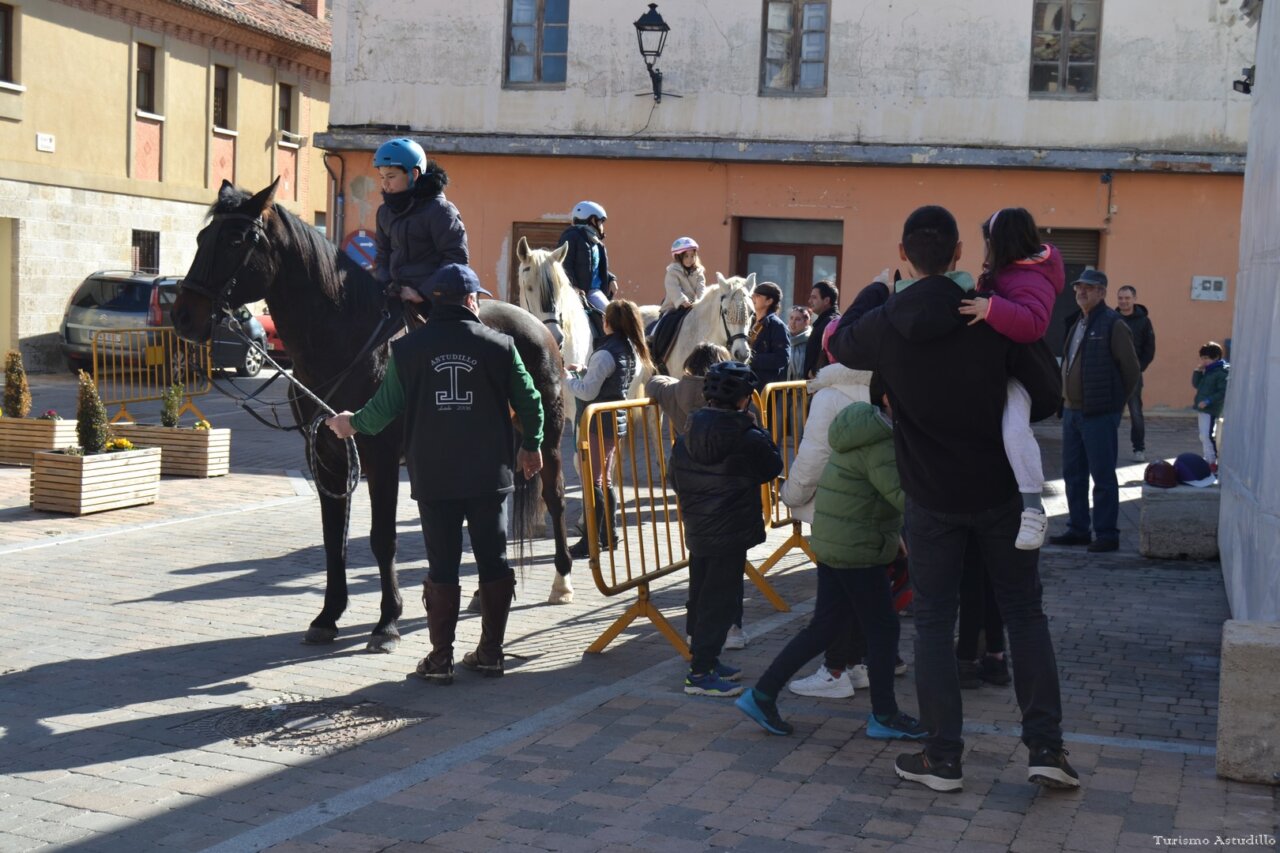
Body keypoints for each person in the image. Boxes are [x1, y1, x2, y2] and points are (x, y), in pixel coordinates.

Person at [829, 205, 1077, 793]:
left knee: (934, 624)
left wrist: (874, 290)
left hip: (932, 496)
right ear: (961, 254)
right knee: (1024, 613)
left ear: (904, 255)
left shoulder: (887, 320)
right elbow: (1045, 394)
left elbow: (836, 342)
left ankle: (943, 759)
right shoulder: (990, 314)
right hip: (999, 491)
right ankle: (1046, 748)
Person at [325, 264, 543, 684]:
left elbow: (383, 410)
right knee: (492, 560)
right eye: (476, 296)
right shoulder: (500, 345)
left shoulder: (408, 350)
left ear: (434, 301)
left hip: (435, 476)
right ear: (469, 301)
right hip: (488, 475)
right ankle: (491, 654)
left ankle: (440, 660)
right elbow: (531, 399)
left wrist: (351, 423)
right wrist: (532, 444)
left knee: (442, 564)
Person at [737, 388, 928, 740]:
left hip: (838, 541)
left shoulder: (867, 427)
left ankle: (762, 695)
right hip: (856, 548)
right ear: (888, 397)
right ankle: (884, 714)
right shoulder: (882, 443)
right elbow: (905, 498)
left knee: (825, 628)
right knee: (883, 629)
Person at [670, 361, 783, 697]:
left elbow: (673, 478)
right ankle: (700, 673)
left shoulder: (685, 433)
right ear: (745, 400)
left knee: (701, 595)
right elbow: (773, 466)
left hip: (699, 526)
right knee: (720, 601)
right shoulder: (747, 435)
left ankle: (707, 659)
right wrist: (758, 429)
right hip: (730, 529)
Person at [956, 207, 1065, 551]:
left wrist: (990, 308)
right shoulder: (1005, 272)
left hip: (1017, 372)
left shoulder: (1031, 277)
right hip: (995, 367)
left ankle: (1033, 509)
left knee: (1015, 432)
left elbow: (1034, 323)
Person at [777, 358, 874, 698]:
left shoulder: (830, 394)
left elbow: (815, 454)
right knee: (862, 594)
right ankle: (855, 663)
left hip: (836, 508)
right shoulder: (886, 382)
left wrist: (791, 494)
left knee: (834, 600)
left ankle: (835, 670)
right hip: (874, 507)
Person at [1048, 269, 1140, 553]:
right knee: (1073, 475)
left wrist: (1113, 407)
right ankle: (1078, 529)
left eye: (1088, 288)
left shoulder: (1112, 324)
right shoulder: (1078, 322)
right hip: (1072, 413)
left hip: (1099, 414)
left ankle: (1107, 533)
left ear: (1102, 292)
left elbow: (1131, 371)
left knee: (1102, 476)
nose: (1081, 292)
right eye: (1078, 288)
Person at [564, 299, 652, 559]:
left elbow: (589, 391)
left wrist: (567, 379)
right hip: (615, 420)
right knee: (605, 480)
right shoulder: (630, 348)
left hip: (597, 422)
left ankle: (591, 540)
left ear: (608, 323)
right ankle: (608, 535)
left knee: (593, 482)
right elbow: (606, 378)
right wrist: (584, 369)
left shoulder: (604, 352)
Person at [372, 138, 469, 315]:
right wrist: (387, 285)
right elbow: (382, 254)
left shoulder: (441, 211)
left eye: (391, 177)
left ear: (414, 174)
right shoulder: (384, 212)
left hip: (435, 302)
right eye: (382, 177)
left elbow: (455, 258)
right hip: (396, 296)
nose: (385, 184)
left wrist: (422, 293)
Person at [646, 343, 730, 441]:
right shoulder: (728, 392)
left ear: (691, 362)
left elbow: (654, 381)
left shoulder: (675, 390)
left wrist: (679, 384)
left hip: (686, 453)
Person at [1116, 285, 1156, 462]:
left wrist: (1139, 368)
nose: (1124, 302)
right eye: (1120, 298)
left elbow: (1149, 348)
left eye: (1127, 298)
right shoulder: (1112, 318)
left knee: (1135, 412)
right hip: (1113, 374)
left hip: (1134, 375)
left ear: (1134, 298)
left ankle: (1139, 448)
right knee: (1111, 413)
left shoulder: (1144, 321)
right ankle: (1107, 447)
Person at [559, 201, 617, 315]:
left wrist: (611, 279)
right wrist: (574, 287)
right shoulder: (571, 237)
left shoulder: (595, 242)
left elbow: (592, 267)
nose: (602, 226)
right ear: (592, 220)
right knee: (613, 316)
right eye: (601, 222)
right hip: (586, 292)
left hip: (595, 291)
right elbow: (565, 265)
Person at [1191, 341, 1229, 467]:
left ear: (1216, 357)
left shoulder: (1221, 372)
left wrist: (1208, 401)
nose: (1204, 361)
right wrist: (1197, 371)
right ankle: (1208, 458)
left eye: (1206, 358)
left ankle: (1212, 461)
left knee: (1207, 435)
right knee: (1203, 435)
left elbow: (1222, 392)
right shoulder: (1208, 370)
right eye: (1202, 358)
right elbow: (1197, 385)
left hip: (1211, 408)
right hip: (1203, 408)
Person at [748, 281, 790, 387]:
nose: (752, 298)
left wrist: (750, 359)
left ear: (769, 301)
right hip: (746, 385)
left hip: (764, 389)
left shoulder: (777, 326)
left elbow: (782, 358)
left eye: (757, 296)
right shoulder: (749, 322)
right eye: (752, 295)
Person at [804, 280, 840, 379]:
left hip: (822, 385)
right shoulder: (824, 322)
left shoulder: (831, 323)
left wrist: (814, 371)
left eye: (814, 297)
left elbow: (832, 355)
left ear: (826, 300)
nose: (809, 301)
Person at [661, 237, 707, 313]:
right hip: (673, 308)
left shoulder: (698, 272)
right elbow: (673, 288)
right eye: (686, 256)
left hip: (691, 307)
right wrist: (682, 301)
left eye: (692, 256)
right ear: (678, 257)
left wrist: (702, 301)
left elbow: (701, 288)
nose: (690, 259)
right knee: (669, 323)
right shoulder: (673, 271)